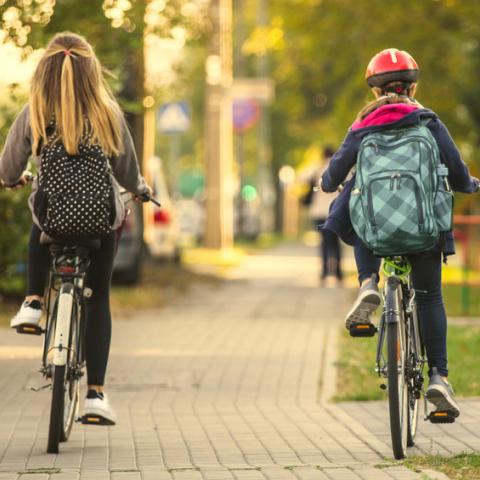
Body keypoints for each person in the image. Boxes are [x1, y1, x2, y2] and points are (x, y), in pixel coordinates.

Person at [0, 32, 152, 425]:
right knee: (98, 298)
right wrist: (140, 190)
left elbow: (8, 168)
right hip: (99, 226)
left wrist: (15, 179)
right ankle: (96, 396)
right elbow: (128, 173)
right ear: (91, 71)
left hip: (51, 225)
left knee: (42, 215)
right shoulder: (108, 114)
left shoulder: (34, 112)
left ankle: (33, 302)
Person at [320, 48, 479, 417]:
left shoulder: (362, 125)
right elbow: (456, 172)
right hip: (424, 232)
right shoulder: (428, 121)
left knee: (356, 203)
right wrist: (469, 184)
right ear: (414, 86)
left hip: (375, 234)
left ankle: (368, 284)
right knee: (429, 297)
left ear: (375, 91)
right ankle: (438, 375)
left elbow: (331, 179)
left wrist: (335, 184)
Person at [302, 147, 343, 286]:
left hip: (320, 212)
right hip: (336, 211)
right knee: (336, 243)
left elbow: (303, 176)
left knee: (325, 243)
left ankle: (325, 273)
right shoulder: (340, 168)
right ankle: (338, 273)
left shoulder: (317, 168)